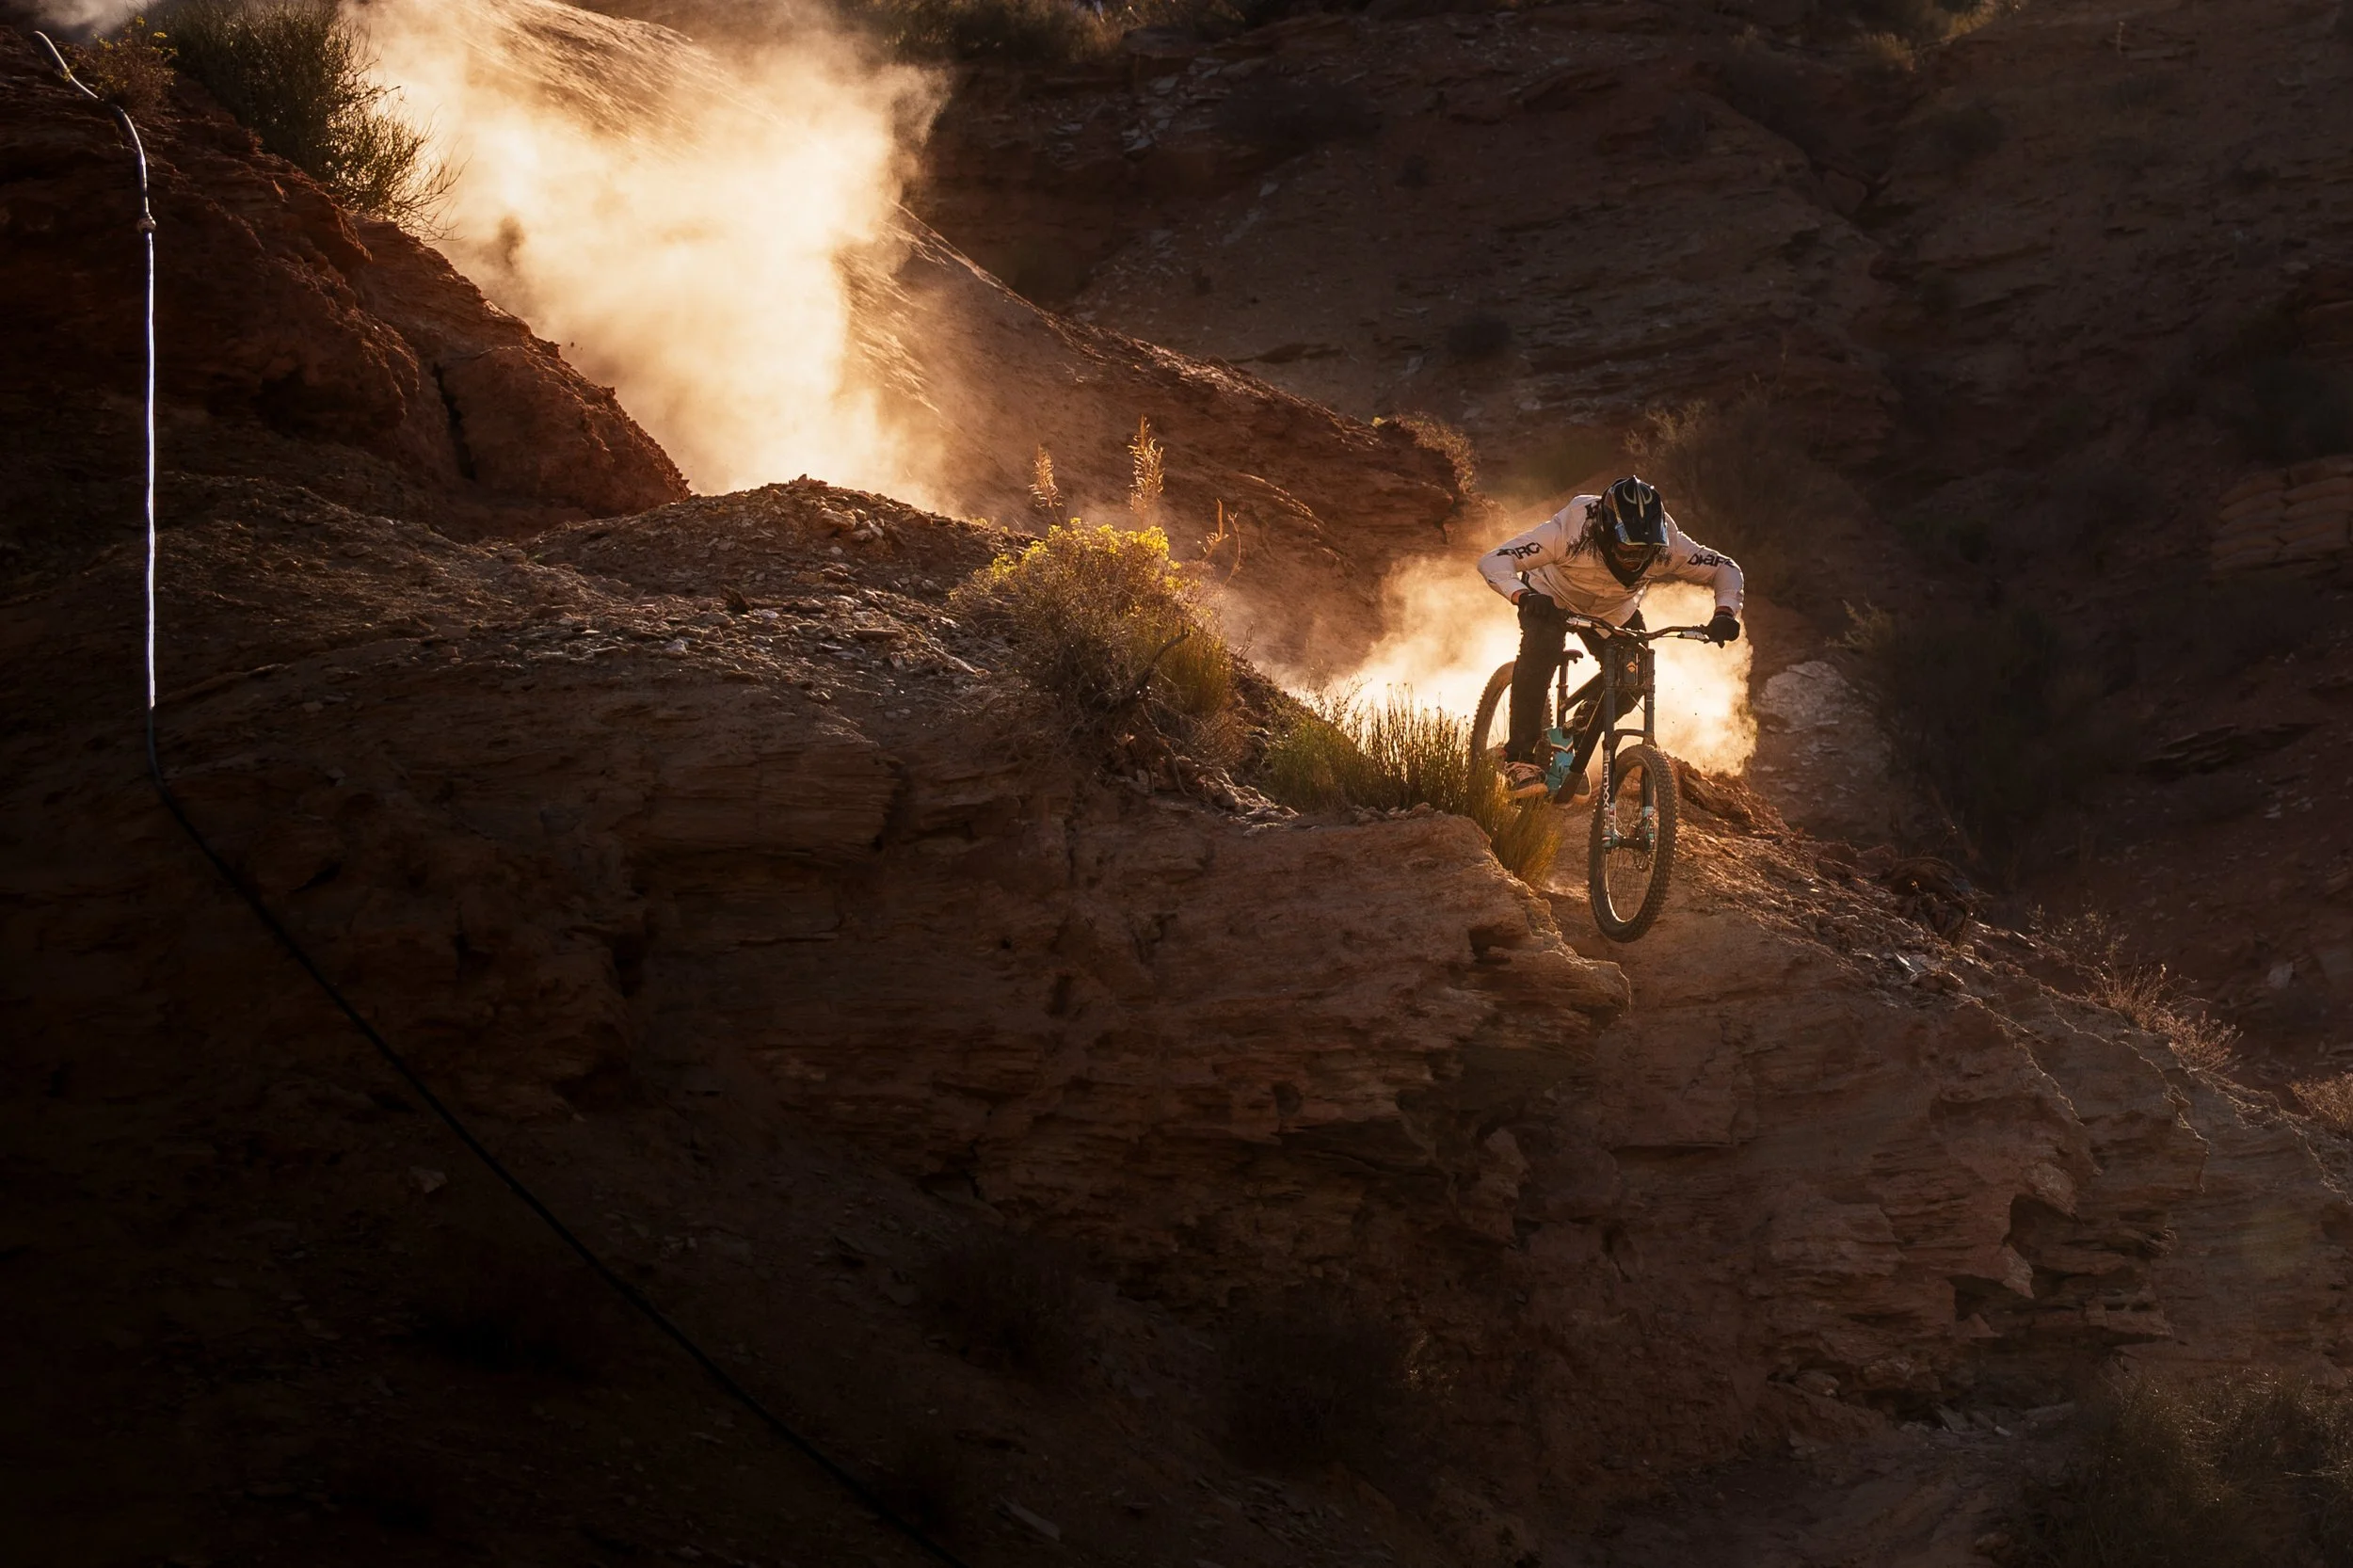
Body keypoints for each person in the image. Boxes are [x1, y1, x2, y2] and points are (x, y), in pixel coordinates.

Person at [1476, 475, 1743, 799]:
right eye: (1628, 547)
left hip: (1614, 608)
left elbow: (1725, 568)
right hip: (1550, 597)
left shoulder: (1669, 546)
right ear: (1604, 530)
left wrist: (1725, 612)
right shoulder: (1570, 530)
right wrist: (1522, 596)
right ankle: (1520, 758)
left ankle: (1573, 732)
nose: (1636, 557)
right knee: (1542, 650)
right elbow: (1494, 559)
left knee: (1634, 677)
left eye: (1645, 549)